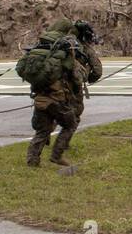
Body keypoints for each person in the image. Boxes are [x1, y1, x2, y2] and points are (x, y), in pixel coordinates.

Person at [23, 19, 102, 168]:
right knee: (70, 123)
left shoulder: (42, 48)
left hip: (40, 96)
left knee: (42, 130)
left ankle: (32, 161)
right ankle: (56, 155)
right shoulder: (67, 51)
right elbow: (81, 76)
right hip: (58, 97)